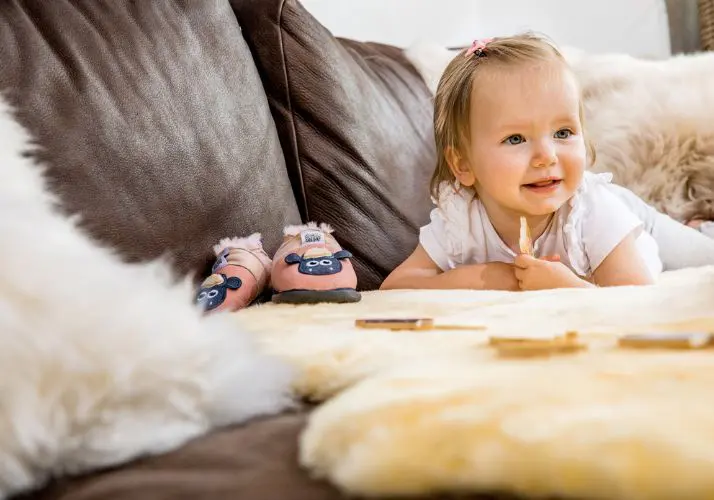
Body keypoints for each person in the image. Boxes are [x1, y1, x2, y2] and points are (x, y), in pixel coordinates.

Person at [381, 33, 714, 292]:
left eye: (563, 132)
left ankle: (700, 230)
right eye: (516, 139)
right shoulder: (462, 217)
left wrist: (568, 288)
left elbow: (633, 298)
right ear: (463, 165)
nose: (547, 156)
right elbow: (395, 287)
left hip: (640, 225)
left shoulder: (591, 212)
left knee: (704, 256)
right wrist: (484, 277)